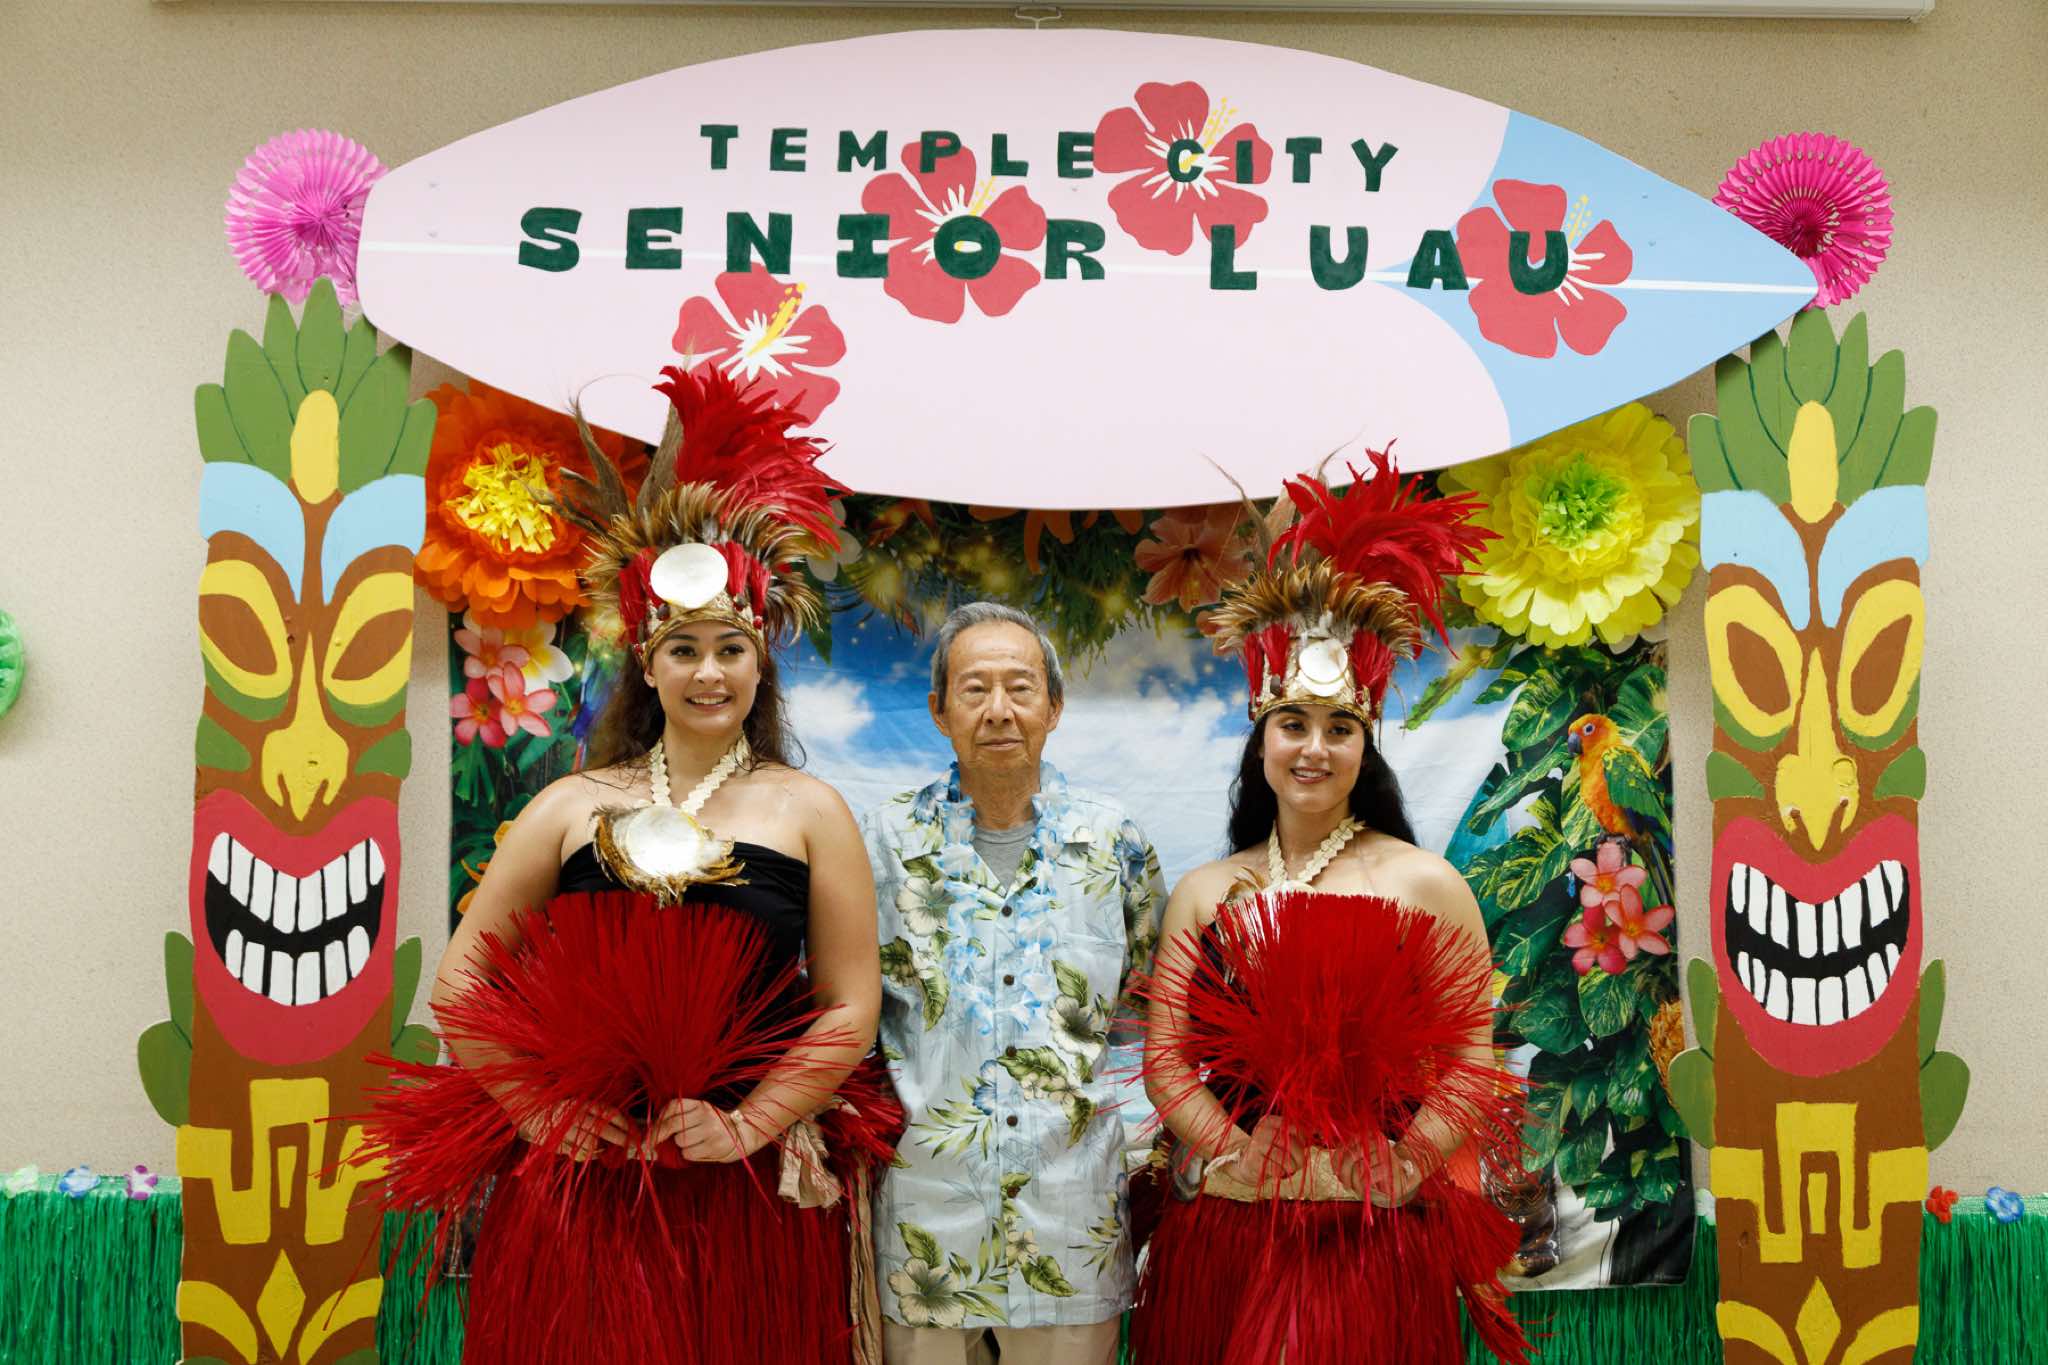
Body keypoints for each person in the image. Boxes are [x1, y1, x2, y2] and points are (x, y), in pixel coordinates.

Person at [364, 367, 898, 1365]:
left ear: (761, 663)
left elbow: (848, 1007)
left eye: (731, 648)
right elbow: (461, 985)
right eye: (684, 648)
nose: (709, 671)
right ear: (646, 664)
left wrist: (749, 1125)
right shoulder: (569, 807)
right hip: (584, 1183)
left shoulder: (810, 812)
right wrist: (537, 1109)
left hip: (743, 1188)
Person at [1129, 453, 1529, 1365]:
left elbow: (1472, 1061)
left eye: (1340, 728)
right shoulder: (1206, 890)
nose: (1314, 747)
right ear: (1261, 736)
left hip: (1372, 1238)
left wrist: (1407, 1159)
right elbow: (1166, 1061)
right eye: (1294, 724)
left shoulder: (1426, 883)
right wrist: (1230, 1148)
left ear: (1365, 744)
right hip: (1228, 1231)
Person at [861, 602, 1166, 1365]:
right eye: (974, 688)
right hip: (927, 1233)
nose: (998, 709)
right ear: (939, 710)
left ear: (1054, 706)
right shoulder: (884, 841)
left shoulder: (1113, 841)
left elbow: (1151, 1010)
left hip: (1071, 1227)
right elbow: (849, 1010)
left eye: (1020, 687)